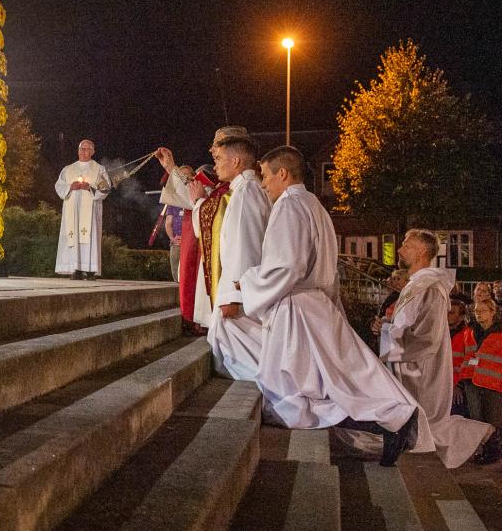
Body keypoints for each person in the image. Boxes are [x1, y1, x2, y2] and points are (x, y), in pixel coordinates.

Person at [238, 146, 432, 467]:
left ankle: (386, 424)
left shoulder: (288, 206)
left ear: (282, 173)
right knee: (327, 386)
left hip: (295, 309)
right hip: (317, 305)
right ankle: (390, 422)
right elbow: (328, 269)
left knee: (294, 395)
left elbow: (286, 267)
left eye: (266, 176)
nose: (263, 184)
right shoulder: (316, 206)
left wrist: (248, 282)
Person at [378, 229, 495, 467]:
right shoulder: (416, 285)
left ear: (422, 251)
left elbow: (426, 337)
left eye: (406, 245)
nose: (400, 250)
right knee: (421, 426)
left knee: (429, 426)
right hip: (409, 367)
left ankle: (489, 435)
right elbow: (408, 325)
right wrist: (387, 326)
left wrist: (390, 339)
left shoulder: (429, 288)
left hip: (422, 371)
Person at [155, 126, 251, 329]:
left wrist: (235, 294)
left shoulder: (241, 190)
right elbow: (194, 194)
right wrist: (172, 169)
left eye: (217, 147)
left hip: (238, 289)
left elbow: (243, 245)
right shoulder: (229, 186)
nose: (211, 151)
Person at [205, 134, 270, 380]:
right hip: (242, 288)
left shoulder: (245, 193)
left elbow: (245, 246)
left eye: (219, 158)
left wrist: (234, 296)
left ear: (236, 161)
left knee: (245, 354)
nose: (215, 165)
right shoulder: (247, 189)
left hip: (240, 294)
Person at [54, 139, 110, 279]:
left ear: (93, 152)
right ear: (78, 151)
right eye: (81, 149)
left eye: (87, 149)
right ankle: (76, 269)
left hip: (90, 212)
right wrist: (70, 187)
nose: (83, 152)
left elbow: (106, 188)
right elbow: (59, 186)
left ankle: (90, 271)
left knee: (90, 237)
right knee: (73, 237)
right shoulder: (68, 169)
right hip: (72, 212)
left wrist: (89, 187)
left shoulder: (99, 169)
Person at [465, 299, 502, 462]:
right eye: (476, 311)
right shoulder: (471, 331)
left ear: (492, 312)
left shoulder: (499, 332)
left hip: (493, 382)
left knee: (492, 419)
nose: (479, 314)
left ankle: (493, 452)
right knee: (477, 419)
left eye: (483, 311)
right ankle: (486, 450)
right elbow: (467, 355)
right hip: (472, 380)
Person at [449, 297, 478, 418]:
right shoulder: (440, 333)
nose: (447, 315)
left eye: (452, 312)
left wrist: (459, 385)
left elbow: (473, 360)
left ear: (461, 317)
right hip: (442, 385)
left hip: (459, 389)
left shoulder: (468, 334)